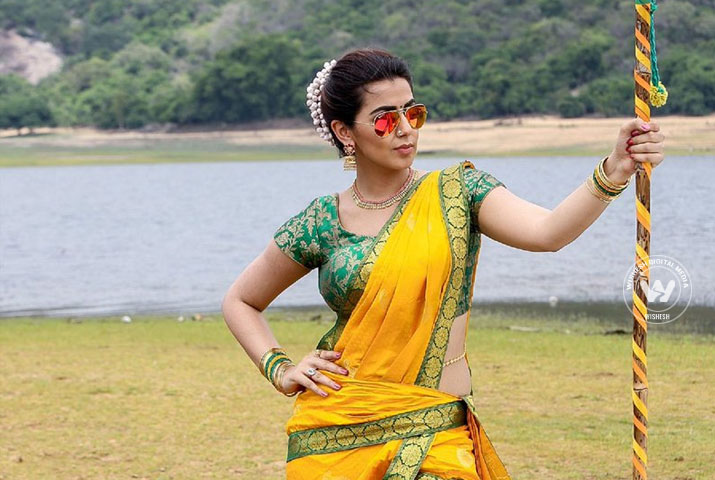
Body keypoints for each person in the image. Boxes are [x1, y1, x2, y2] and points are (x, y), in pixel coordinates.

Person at [221, 48, 665, 479]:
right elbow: (241, 300)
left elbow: (547, 232)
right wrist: (281, 369)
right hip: (336, 435)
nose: (405, 130)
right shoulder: (322, 221)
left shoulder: (457, 193)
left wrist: (615, 169)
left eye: (413, 114)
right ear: (344, 132)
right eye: (385, 119)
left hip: (436, 433)